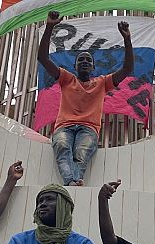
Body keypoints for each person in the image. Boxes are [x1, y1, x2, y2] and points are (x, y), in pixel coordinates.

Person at [37, 11, 134, 186]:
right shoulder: (67, 79)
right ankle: (73, 182)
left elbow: (127, 68)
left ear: (93, 67)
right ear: (74, 66)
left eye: (88, 61)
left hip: (88, 129)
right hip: (64, 127)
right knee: (61, 146)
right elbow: (43, 58)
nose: (84, 62)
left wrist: (127, 39)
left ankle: (72, 182)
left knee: (81, 153)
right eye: (81, 60)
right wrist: (50, 26)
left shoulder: (102, 83)